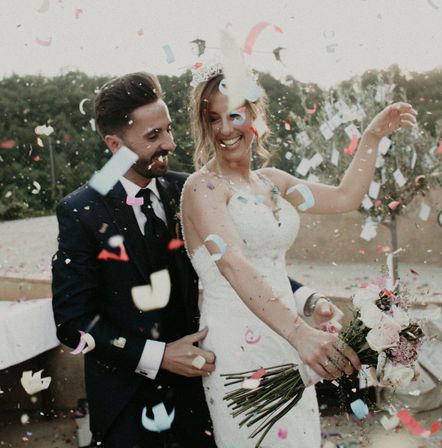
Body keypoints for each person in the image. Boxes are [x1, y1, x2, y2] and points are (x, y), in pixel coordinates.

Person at [51, 72, 341, 447]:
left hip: (201, 393)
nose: (170, 143)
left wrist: (307, 299)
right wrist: (159, 356)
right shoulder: (81, 211)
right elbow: (72, 324)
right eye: (153, 137)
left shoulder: (187, 189)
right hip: (127, 405)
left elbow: (230, 265)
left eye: (168, 129)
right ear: (114, 144)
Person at [181, 62, 417, 447]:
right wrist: (300, 333)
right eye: (213, 118)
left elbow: (345, 197)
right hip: (239, 347)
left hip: (288, 341)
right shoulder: (202, 188)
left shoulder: (273, 183)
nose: (225, 129)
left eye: (235, 115)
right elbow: (233, 263)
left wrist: (372, 136)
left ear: (254, 114)